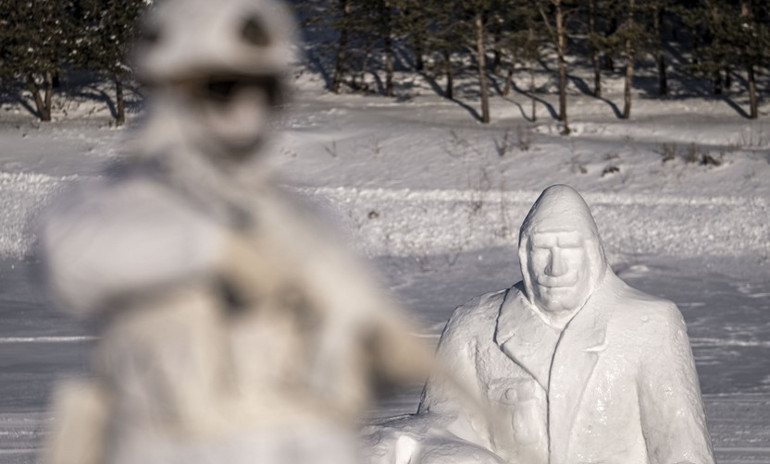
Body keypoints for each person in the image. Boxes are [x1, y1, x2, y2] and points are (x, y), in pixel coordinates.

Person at [38, 1, 431, 463]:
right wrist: (214, 248)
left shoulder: (301, 217)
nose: (248, 109)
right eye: (224, 88)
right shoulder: (123, 199)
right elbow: (73, 253)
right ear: (173, 88)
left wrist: (367, 346)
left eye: (265, 90)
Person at [370, 184, 715, 464]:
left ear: (593, 252)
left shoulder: (648, 324)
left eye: (569, 248)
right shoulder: (474, 326)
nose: (554, 267)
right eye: (542, 249)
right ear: (524, 253)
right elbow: (442, 429)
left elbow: (681, 449)